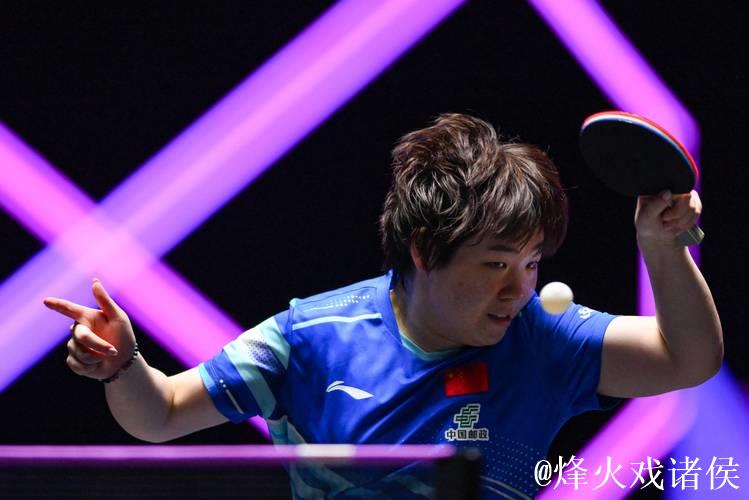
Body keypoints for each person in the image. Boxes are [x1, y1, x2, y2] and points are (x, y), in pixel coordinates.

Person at [44, 113, 722, 498]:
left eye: (531, 265)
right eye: (494, 265)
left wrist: (662, 250)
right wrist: (123, 366)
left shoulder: (544, 339)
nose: (517, 290)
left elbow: (687, 358)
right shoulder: (312, 337)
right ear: (424, 250)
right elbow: (161, 413)